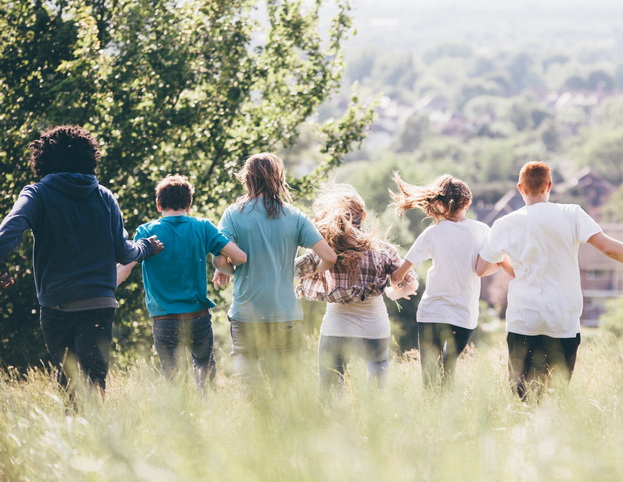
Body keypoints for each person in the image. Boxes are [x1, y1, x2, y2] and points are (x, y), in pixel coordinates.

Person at [0, 125, 163, 395]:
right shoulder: (105, 196)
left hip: (56, 303)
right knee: (93, 380)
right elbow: (123, 252)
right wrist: (145, 247)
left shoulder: (36, 194)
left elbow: (6, 234)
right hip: (98, 302)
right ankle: (89, 433)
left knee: (68, 377)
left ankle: (72, 431)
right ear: (90, 158)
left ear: (43, 160)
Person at [476, 161, 623, 399]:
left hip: (523, 320)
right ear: (549, 185)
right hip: (562, 320)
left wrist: (504, 259)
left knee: (522, 399)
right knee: (555, 399)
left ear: (520, 188)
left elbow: (481, 269)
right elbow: (609, 248)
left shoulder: (505, 223)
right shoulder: (572, 213)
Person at [212, 152, 337, 394]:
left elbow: (218, 257)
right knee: (285, 383)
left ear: (247, 179)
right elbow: (330, 257)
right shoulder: (295, 215)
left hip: (247, 310)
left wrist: (228, 269)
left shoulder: (233, 214)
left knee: (245, 361)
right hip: (285, 312)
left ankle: (259, 409)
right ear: (278, 178)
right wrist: (310, 272)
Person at [117, 174, 247, 390]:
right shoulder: (203, 227)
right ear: (189, 204)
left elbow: (126, 267)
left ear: (159, 204)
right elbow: (241, 257)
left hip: (164, 317)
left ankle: (182, 419)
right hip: (198, 317)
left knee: (173, 378)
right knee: (204, 368)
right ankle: (208, 415)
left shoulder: (147, 231)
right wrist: (220, 264)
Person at [295, 184, 418, 395]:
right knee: (379, 377)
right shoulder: (384, 250)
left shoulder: (326, 251)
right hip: (374, 326)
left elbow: (293, 269)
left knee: (330, 386)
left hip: (336, 326)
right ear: (364, 215)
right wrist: (394, 291)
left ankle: (334, 424)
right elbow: (411, 282)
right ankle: (374, 423)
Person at [389, 173, 504, 387]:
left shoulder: (432, 233)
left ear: (440, 204)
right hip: (464, 315)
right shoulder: (482, 231)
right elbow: (483, 269)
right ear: (468, 202)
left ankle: (431, 416)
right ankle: (445, 416)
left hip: (432, 312)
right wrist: (493, 267)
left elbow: (398, 274)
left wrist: (399, 287)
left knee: (430, 377)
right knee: (447, 371)